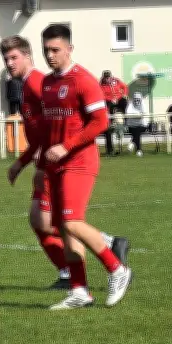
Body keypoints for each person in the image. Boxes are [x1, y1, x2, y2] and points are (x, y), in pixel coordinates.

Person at [2, 35, 128, 291]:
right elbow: (40, 132)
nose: (9, 63)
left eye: (14, 57)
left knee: (54, 222)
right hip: (48, 159)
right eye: (6, 58)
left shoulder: (38, 83)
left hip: (59, 162)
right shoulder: (29, 85)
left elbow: (55, 130)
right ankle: (72, 275)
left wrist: (38, 165)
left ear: (28, 56)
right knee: (44, 222)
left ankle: (102, 250)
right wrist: (22, 162)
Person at [38, 24, 132, 310]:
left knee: (71, 222)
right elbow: (51, 125)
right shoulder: (47, 83)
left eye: (55, 50)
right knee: (63, 229)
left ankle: (117, 269)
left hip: (79, 161)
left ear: (69, 49)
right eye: (46, 50)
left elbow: (100, 122)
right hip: (55, 163)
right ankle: (80, 291)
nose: (50, 56)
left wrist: (66, 147)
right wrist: (43, 158)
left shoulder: (84, 80)